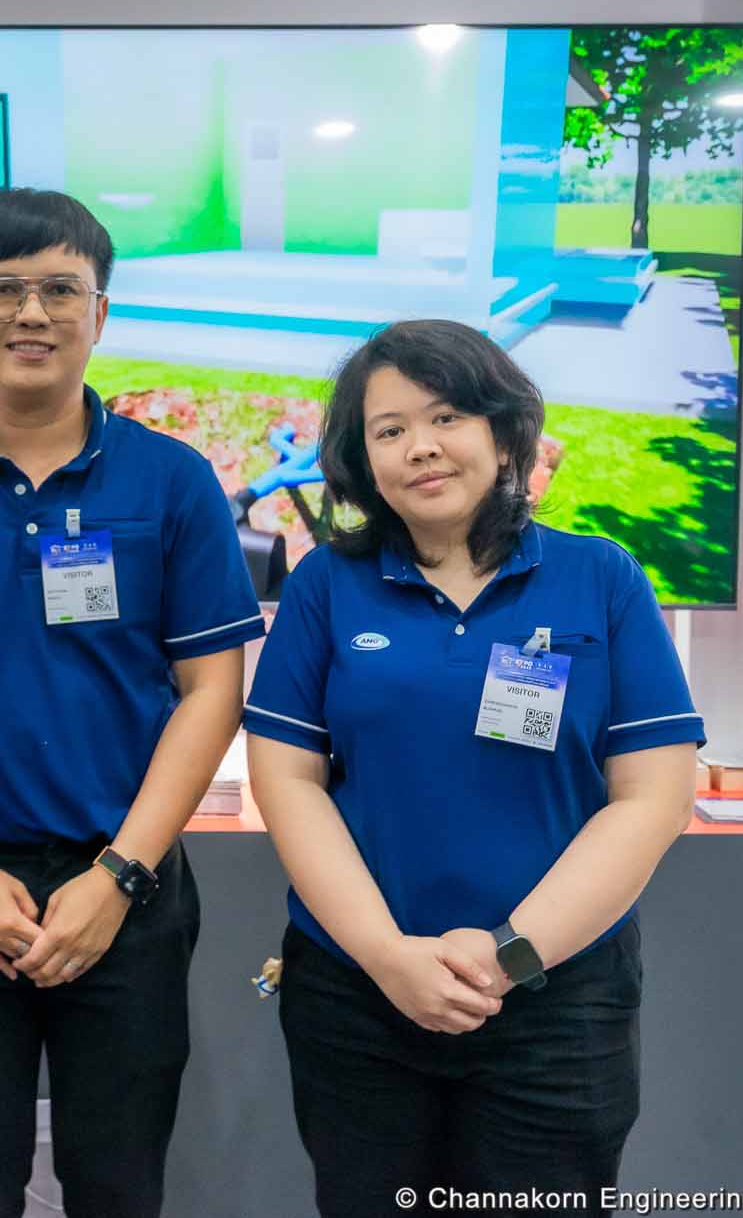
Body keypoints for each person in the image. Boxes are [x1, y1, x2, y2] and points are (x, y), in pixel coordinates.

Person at [0, 188, 265, 1218]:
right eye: (4, 289)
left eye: (61, 289)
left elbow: (211, 689)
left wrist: (118, 875)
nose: (32, 312)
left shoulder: (172, 481)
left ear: (99, 313)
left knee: (118, 1184)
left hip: (127, 889)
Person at [243, 319, 703, 1216]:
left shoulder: (602, 578)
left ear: (504, 430)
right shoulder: (326, 585)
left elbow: (653, 797)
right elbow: (288, 780)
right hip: (358, 997)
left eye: (447, 416)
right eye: (389, 429)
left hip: (556, 1004)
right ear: (362, 458)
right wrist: (387, 956)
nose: (421, 445)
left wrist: (510, 954)